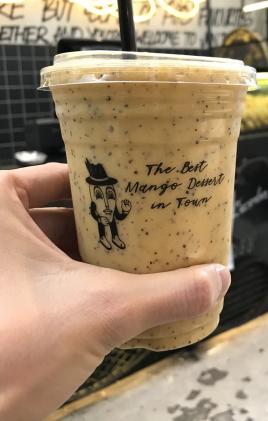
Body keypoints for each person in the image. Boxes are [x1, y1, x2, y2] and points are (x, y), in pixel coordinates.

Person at [0, 163, 230, 421]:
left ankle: (113, 239)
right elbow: (97, 213)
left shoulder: (111, 198)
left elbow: (118, 214)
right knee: (106, 233)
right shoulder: (97, 203)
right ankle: (110, 240)